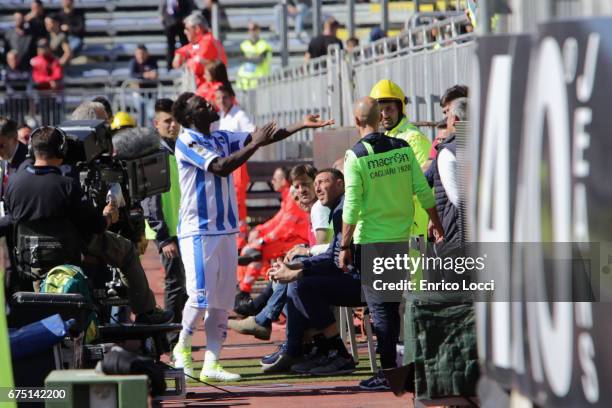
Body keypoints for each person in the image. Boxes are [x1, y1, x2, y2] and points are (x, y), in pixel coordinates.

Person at [170, 91, 333, 382]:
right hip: (198, 230)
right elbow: (221, 167)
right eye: (201, 105)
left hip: (225, 230)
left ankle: (212, 361)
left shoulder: (220, 137)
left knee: (221, 301)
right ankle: (181, 346)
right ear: (190, 117)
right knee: (199, 297)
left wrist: (300, 125)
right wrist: (256, 143)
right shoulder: (187, 140)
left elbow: (262, 136)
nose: (209, 104)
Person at [4, 126, 173, 325]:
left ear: (32, 151)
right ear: (61, 151)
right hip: (71, 249)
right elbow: (97, 226)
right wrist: (109, 215)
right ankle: (146, 312)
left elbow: (12, 218)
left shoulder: (14, 182)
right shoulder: (65, 185)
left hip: (30, 256)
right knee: (126, 249)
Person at [338, 97, 444, 390]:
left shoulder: (355, 155)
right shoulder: (402, 148)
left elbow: (352, 206)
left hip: (374, 241)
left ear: (357, 121)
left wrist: (344, 246)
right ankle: (404, 369)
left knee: (382, 312)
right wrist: (435, 222)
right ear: (379, 118)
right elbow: (423, 190)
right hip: (406, 238)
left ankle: (389, 374)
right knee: (401, 306)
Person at [262, 169, 360, 375]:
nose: (317, 187)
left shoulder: (342, 210)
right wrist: (296, 267)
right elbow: (332, 255)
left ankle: (329, 351)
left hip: (363, 281)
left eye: (323, 182)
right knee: (296, 282)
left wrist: (298, 271)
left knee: (300, 285)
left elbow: (332, 259)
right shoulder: (337, 209)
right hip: (356, 275)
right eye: (316, 183)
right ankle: (320, 349)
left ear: (341, 184)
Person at [229, 164, 330, 342]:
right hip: (299, 246)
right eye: (297, 186)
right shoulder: (306, 204)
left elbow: (291, 230)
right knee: (280, 272)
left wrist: (262, 240)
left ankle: (258, 310)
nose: (300, 190)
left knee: (281, 272)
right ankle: (280, 333)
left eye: (305, 184)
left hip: (297, 245)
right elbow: (280, 222)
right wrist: (260, 232)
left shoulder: (317, 208)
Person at [142, 98, 187, 343]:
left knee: (187, 285)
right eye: (168, 121)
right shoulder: (153, 153)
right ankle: (169, 339)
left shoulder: (180, 146)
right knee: (174, 284)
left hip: (185, 227)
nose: (173, 125)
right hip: (168, 231)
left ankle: (178, 335)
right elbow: (150, 200)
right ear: (156, 123)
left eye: (176, 120)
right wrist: (163, 236)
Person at [369, 79, 431, 238]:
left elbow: (425, 179)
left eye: (389, 109)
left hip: (415, 221)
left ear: (400, 108)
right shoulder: (387, 136)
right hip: (396, 221)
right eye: (380, 111)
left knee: (416, 263)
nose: (384, 115)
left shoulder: (413, 137)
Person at [215, 85, 254, 250]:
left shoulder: (239, 115)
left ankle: (241, 240)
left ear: (232, 98)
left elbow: (253, 134)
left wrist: (241, 153)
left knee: (237, 202)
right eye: (218, 98)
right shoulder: (221, 116)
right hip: (226, 163)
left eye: (224, 97)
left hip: (237, 164)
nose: (221, 101)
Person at [172, 12, 227, 91]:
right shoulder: (198, 43)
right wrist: (179, 53)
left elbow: (196, 67)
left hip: (213, 93)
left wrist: (187, 62)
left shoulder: (208, 42)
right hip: (204, 91)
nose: (184, 32)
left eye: (187, 29)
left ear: (197, 29)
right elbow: (177, 62)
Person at [159, 0, 195, 69]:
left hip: (182, 22)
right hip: (169, 23)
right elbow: (163, 7)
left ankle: (186, 61)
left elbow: (190, 6)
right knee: (170, 45)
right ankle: (170, 65)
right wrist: (163, 17)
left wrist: (186, 18)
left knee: (184, 43)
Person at [236, 22, 272, 90]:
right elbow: (240, 59)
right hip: (244, 81)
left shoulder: (264, 45)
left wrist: (246, 58)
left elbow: (259, 60)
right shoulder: (244, 44)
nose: (252, 31)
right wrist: (254, 57)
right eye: (250, 29)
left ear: (258, 30)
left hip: (259, 82)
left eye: (254, 29)